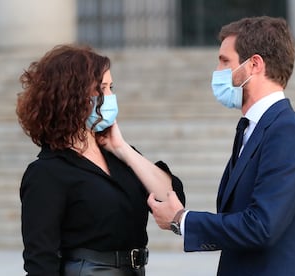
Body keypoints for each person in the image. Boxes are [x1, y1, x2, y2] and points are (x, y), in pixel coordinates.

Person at [147, 16, 295, 276]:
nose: (217, 71)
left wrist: (182, 219)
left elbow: (261, 227)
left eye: (224, 61)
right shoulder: (254, 128)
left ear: (254, 64)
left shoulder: (289, 132)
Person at [16, 44, 185, 276]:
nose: (111, 97)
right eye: (102, 89)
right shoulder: (48, 172)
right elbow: (40, 262)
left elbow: (172, 199)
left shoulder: (119, 156)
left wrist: (122, 148)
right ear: (71, 97)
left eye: (111, 87)